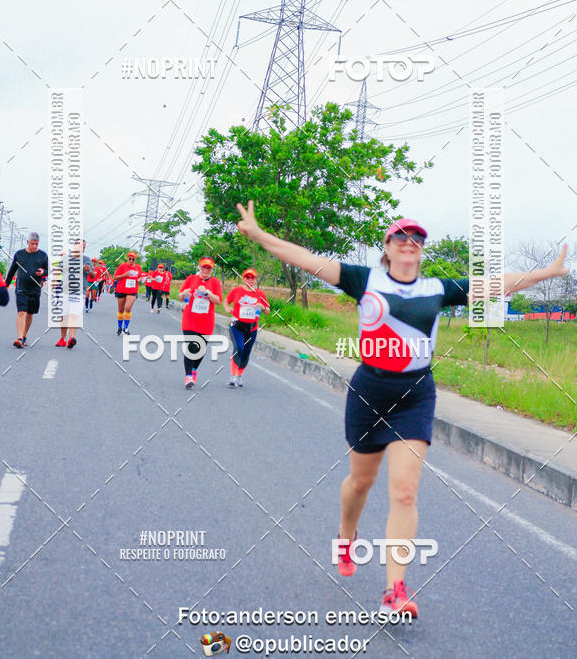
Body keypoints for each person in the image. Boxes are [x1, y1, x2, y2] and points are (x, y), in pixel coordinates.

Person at [235, 200, 570, 618]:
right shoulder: (364, 279)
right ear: (388, 247)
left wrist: (546, 273)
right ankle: (346, 535)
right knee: (361, 482)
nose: (409, 242)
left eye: (416, 238)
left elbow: (497, 284)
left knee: (405, 491)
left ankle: (395, 589)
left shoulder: (438, 289)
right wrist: (260, 235)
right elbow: (306, 259)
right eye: (401, 237)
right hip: (369, 392)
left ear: (421, 249)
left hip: (414, 396)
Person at [178, 257, 222, 389]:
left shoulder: (215, 282)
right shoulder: (191, 279)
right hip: (190, 319)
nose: (206, 270)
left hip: (206, 321)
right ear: (199, 267)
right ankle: (188, 376)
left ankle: (194, 369)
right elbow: (180, 297)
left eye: (208, 268)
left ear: (212, 269)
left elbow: (218, 301)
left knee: (200, 349)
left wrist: (207, 292)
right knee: (191, 346)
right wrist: (184, 293)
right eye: (204, 267)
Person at [224, 268, 270, 387]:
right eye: (247, 277)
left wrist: (262, 307)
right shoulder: (237, 291)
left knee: (246, 352)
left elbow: (268, 311)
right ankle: (233, 376)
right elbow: (226, 301)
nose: (250, 280)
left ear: (255, 279)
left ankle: (239, 376)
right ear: (243, 279)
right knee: (239, 348)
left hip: (251, 328)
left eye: (252, 278)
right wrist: (227, 308)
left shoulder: (260, 294)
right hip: (236, 326)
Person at [5, 232, 48, 348]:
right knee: (22, 312)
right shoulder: (19, 254)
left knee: (29, 313)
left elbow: (48, 270)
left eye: (36, 244)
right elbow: (12, 270)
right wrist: (6, 284)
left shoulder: (43, 255)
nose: (34, 246)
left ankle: (24, 336)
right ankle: (19, 338)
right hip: (21, 288)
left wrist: (43, 272)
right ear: (28, 242)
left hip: (35, 289)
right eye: (32, 243)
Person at [55, 240, 93, 349]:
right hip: (65, 291)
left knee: (74, 315)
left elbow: (94, 275)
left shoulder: (86, 260)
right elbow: (58, 270)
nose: (82, 248)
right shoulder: (66, 258)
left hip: (79, 292)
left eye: (84, 247)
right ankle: (63, 338)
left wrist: (89, 270)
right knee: (64, 315)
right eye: (80, 246)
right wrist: (56, 281)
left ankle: (71, 338)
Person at [113, 251, 144, 334]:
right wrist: (125, 275)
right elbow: (115, 277)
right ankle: (119, 327)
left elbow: (140, 277)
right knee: (121, 310)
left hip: (132, 290)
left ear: (135, 260)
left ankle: (125, 328)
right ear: (127, 258)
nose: (131, 260)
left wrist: (139, 279)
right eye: (130, 258)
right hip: (121, 290)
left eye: (133, 259)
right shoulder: (122, 266)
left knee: (128, 308)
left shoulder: (138, 268)